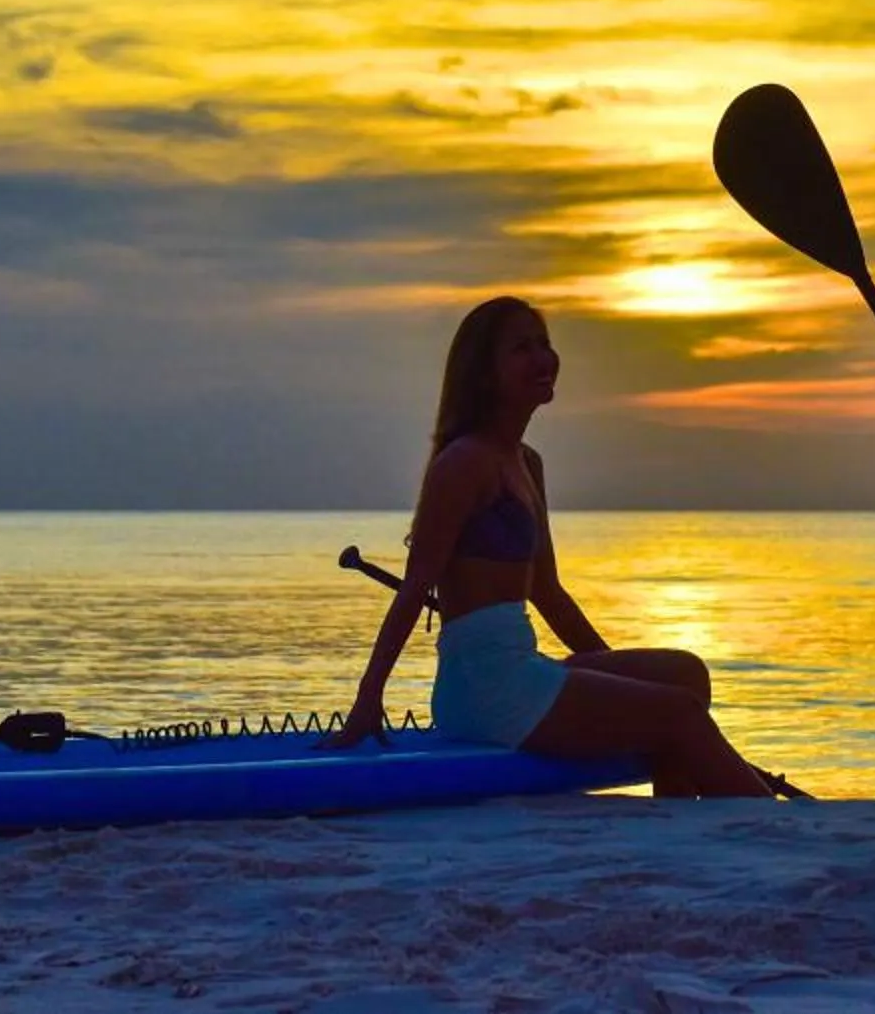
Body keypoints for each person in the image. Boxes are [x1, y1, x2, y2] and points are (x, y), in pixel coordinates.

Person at [323, 295, 782, 797]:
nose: (543, 359)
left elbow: (549, 592)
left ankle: (675, 828)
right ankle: (774, 826)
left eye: (545, 344)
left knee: (685, 676)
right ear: (484, 372)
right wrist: (369, 698)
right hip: (484, 686)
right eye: (522, 348)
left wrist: (628, 686)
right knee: (679, 713)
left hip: (522, 666)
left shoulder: (526, 463)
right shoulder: (463, 464)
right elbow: (415, 587)